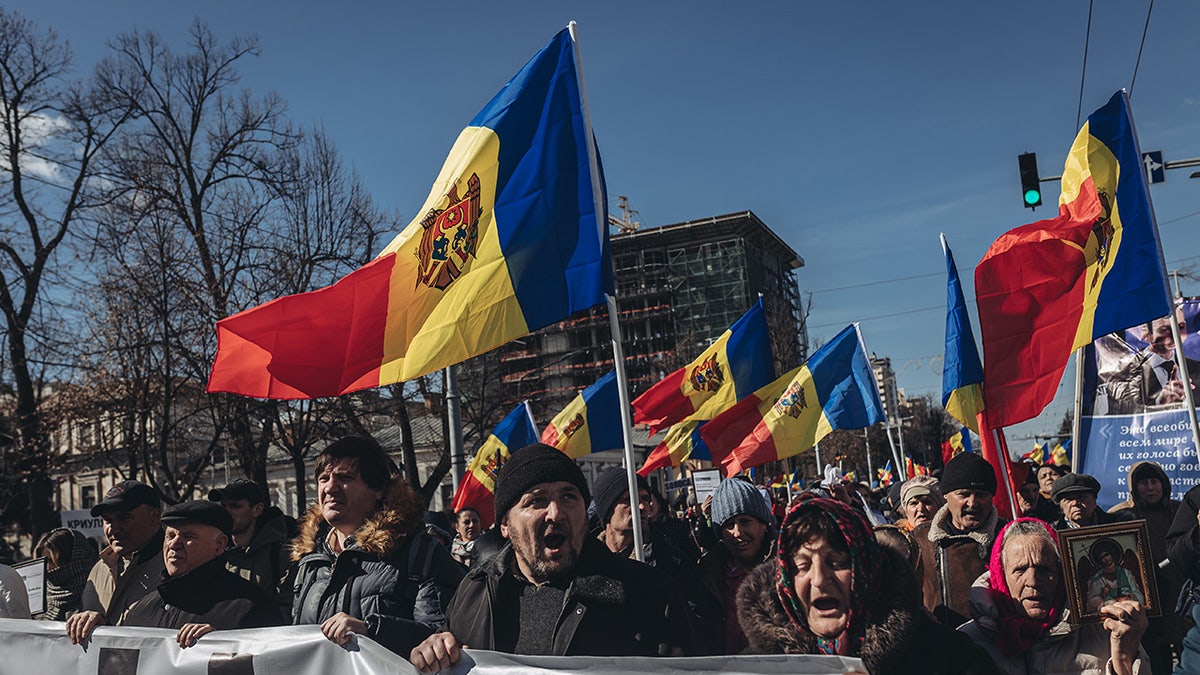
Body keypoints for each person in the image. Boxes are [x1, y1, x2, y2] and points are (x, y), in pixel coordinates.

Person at [408, 443, 698, 672]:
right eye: (537, 500)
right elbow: (449, 646)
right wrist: (436, 649)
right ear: (505, 525)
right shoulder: (475, 590)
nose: (556, 512)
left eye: (569, 497)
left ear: (585, 515)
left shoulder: (650, 593)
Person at [737, 495, 998, 674]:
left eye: (837, 562)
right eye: (802, 566)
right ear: (786, 581)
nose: (819, 579)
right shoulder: (757, 666)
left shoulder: (948, 657)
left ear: (866, 570)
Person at [292, 436, 464, 656]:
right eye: (323, 478)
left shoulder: (420, 553)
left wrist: (370, 630)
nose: (330, 488)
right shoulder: (309, 561)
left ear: (378, 489)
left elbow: (442, 640)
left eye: (344, 478)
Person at [959, 518, 1148, 675]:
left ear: (1061, 573)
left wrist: (1123, 657)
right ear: (1001, 576)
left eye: (1043, 568)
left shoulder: (1106, 632)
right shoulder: (968, 642)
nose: (1033, 581)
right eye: (1020, 570)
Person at [123, 501, 285, 647]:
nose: (174, 544)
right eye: (170, 536)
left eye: (188, 536)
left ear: (219, 545)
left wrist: (222, 643)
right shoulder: (141, 610)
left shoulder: (251, 607)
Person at [916, 451, 1007, 626]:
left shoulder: (1009, 537)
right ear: (946, 496)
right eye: (963, 494)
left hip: (996, 644)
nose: (972, 503)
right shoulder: (921, 540)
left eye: (981, 494)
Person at [68, 480, 165, 644]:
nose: (112, 529)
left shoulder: (178, 566)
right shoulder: (99, 569)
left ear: (154, 516)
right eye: (107, 520)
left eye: (124, 518)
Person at [1110, 461, 1184, 675]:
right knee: (1156, 662)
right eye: (1144, 483)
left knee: (1189, 653)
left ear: (1164, 484)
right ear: (1134, 487)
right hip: (1147, 599)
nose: (1151, 487)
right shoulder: (1121, 515)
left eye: (1155, 482)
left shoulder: (1179, 510)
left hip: (1179, 593)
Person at [698, 477, 777, 654]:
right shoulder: (708, 573)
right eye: (729, 525)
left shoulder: (789, 568)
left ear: (763, 524)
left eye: (745, 521)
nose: (738, 533)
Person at [208, 478, 296, 611]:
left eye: (235, 506)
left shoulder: (281, 556)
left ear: (257, 510)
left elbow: (287, 611)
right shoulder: (214, 553)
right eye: (223, 506)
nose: (226, 512)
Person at [1108, 310, 1200, 413]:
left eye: (1181, 327)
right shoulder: (1123, 374)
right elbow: (1123, 415)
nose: (1175, 334)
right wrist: (1160, 403)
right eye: (1164, 330)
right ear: (1147, 335)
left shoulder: (1196, 368)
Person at [32, 528, 98, 620]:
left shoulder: (99, 591)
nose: (48, 568)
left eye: (52, 561)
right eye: (45, 562)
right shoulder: (40, 597)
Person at [1050, 473, 1132, 530]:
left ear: (1094, 501)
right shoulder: (1052, 533)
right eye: (1069, 499)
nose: (1075, 503)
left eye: (1082, 497)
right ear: (1061, 507)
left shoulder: (1118, 525)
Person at [1084, 538, 1144, 612]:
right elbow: (1091, 602)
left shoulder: (1125, 573)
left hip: (1128, 606)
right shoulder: (1098, 578)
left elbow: (1137, 593)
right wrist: (1103, 594)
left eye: (1107, 555)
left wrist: (1129, 597)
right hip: (1109, 608)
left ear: (1112, 554)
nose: (1105, 559)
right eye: (1102, 557)